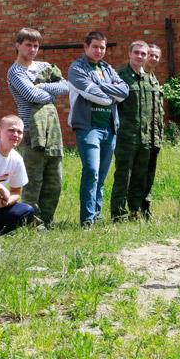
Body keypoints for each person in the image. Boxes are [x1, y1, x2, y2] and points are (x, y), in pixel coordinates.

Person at [7, 28, 68, 227]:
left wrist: (42, 87)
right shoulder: (15, 71)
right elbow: (31, 96)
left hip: (52, 130)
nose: (32, 49)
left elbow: (66, 86)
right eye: (28, 45)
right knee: (33, 180)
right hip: (31, 131)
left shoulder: (44, 66)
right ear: (18, 45)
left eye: (36, 45)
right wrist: (50, 94)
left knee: (54, 179)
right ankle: (31, 222)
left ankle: (46, 221)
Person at [68, 31, 129, 227]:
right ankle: (87, 220)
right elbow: (92, 93)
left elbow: (124, 92)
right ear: (85, 47)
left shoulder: (107, 68)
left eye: (102, 47)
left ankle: (97, 215)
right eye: (95, 46)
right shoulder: (76, 68)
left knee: (101, 175)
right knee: (91, 171)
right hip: (88, 128)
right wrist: (111, 94)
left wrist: (101, 85)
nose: (99, 50)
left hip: (109, 127)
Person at [110, 41, 165, 221]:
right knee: (123, 176)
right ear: (130, 53)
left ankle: (134, 211)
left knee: (140, 176)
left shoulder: (149, 79)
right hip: (126, 136)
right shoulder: (120, 76)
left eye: (143, 54)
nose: (140, 56)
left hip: (146, 137)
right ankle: (118, 213)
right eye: (137, 53)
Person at [142, 44, 166, 215]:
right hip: (139, 136)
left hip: (154, 136)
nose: (153, 58)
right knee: (138, 173)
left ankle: (146, 206)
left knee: (150, 173)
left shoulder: (154, 79)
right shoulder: (138, 77)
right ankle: (135, 207)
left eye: (157, 56)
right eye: (151, 54)